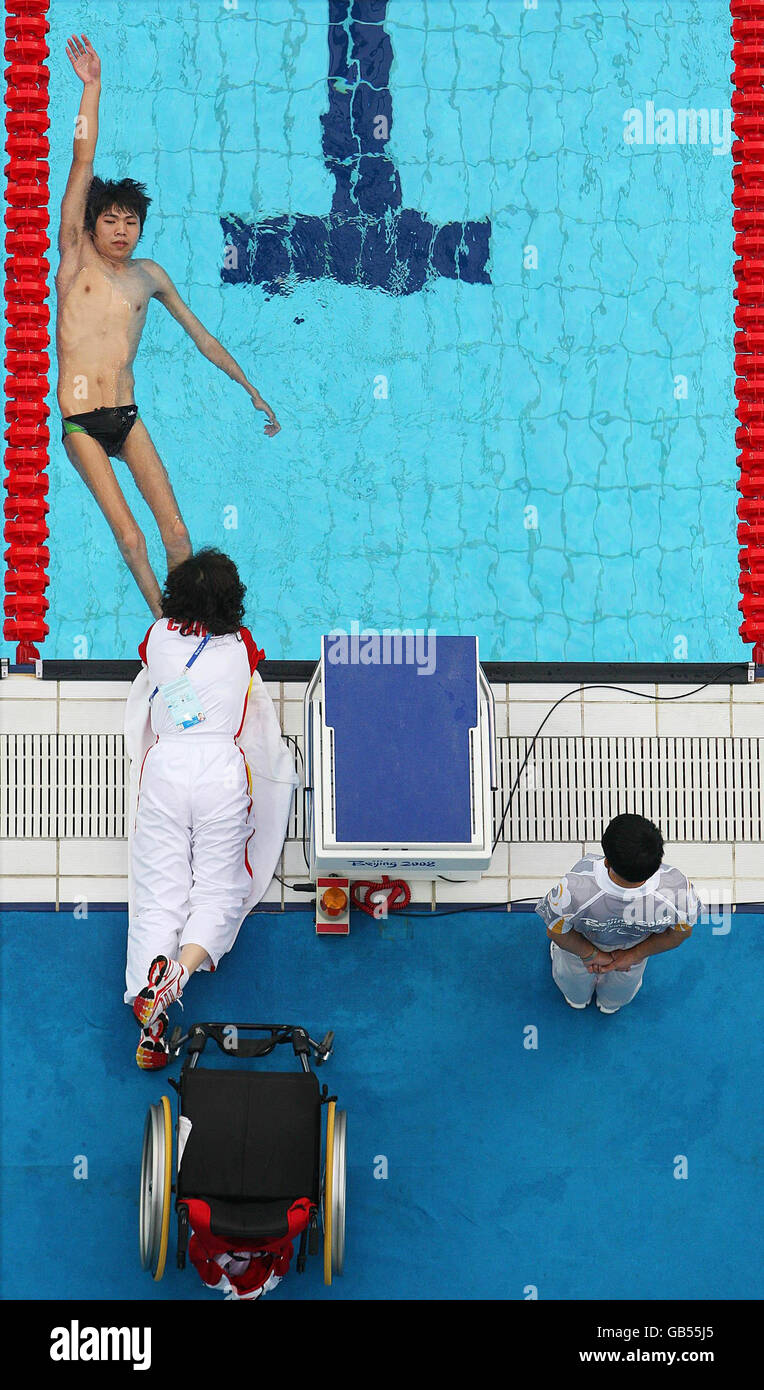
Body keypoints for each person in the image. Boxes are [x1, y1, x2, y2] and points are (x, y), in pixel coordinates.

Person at [57, 34, 280, 616]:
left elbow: (201, 336)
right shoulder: (74, 259)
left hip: (126, 417)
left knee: (177, 535)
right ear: (92, 225)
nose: (121, 231)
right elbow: (82, 161)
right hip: (81, 423)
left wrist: (249, 387)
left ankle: (195, 631)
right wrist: (92, 88)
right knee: (131, 539)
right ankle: (166, 633)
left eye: (130, 222)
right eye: (110, 220)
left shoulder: (147, 275)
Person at [126, 548, 265, 1069]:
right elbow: (253, 664)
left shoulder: (158, 639)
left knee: (159, 890)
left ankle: (152, 1017)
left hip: (167, 768)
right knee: (220, 887)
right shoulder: (241, 647)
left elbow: (155, 641)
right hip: (218, 774)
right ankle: (178, 977)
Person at [535, 814, 700, 1014]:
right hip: (634, 947)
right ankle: (610, 1005)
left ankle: (576, 1000)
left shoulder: (573, 887)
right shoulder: (679, 890)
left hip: (582, 943)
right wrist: (633, 955)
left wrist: (591, 955)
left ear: (606, 862)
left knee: (573, 980)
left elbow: (556, 932)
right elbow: (680, 934)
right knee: (621, 988)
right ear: (657, 860)